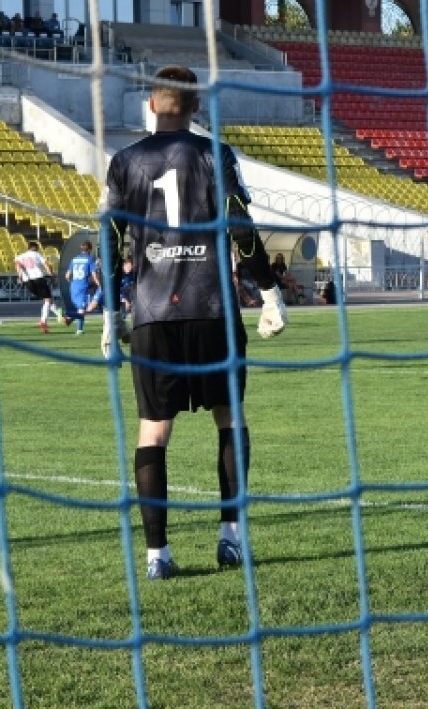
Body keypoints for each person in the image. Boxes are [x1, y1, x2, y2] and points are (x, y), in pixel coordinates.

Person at [100, 64, 287, 580]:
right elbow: (241, 227)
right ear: (196, 107)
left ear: (151, 106)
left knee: (153, 430)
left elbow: (109, 238)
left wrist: (111, 310)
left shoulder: (124, 161)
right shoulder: (214, 154)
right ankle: (230, 538)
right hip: (213, 310)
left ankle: (156, 556)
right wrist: (269, 292)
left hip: (152, 315)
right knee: (229, 417)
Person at [14, 241, 61, 333]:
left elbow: (18, 266)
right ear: (35, 248)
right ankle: (43, 321)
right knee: (47, 299)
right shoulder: (37, 255)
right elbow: (46, 265)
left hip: (27, 281)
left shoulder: (20, 256)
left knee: (47, 300)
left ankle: (60, 316)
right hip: (38, 278)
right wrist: (52, 275)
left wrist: (19, 277)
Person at [63, 239, 100, 335]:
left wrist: (74, 282)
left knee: (83, 308)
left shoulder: (74, 259)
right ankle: (77, 327)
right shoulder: (90, 259)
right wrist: (99, 285)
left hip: (73, 286)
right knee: (84, 308)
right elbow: (94, 275)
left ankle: (70, 318)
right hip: (83, 287)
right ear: (90, 249)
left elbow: (67, 276)